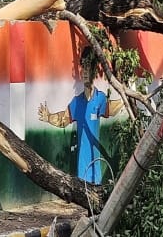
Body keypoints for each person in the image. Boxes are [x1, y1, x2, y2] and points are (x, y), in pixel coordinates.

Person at [38, 47, 123, 184]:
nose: (84, 72)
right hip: (82, 170)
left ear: (94, 71)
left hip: (96, 169)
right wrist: (48, 117)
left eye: (88, 67)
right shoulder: (77, 102)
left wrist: (127, 99)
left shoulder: (100, 98)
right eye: (83, 67)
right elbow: (63, 119)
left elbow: (112, 109)